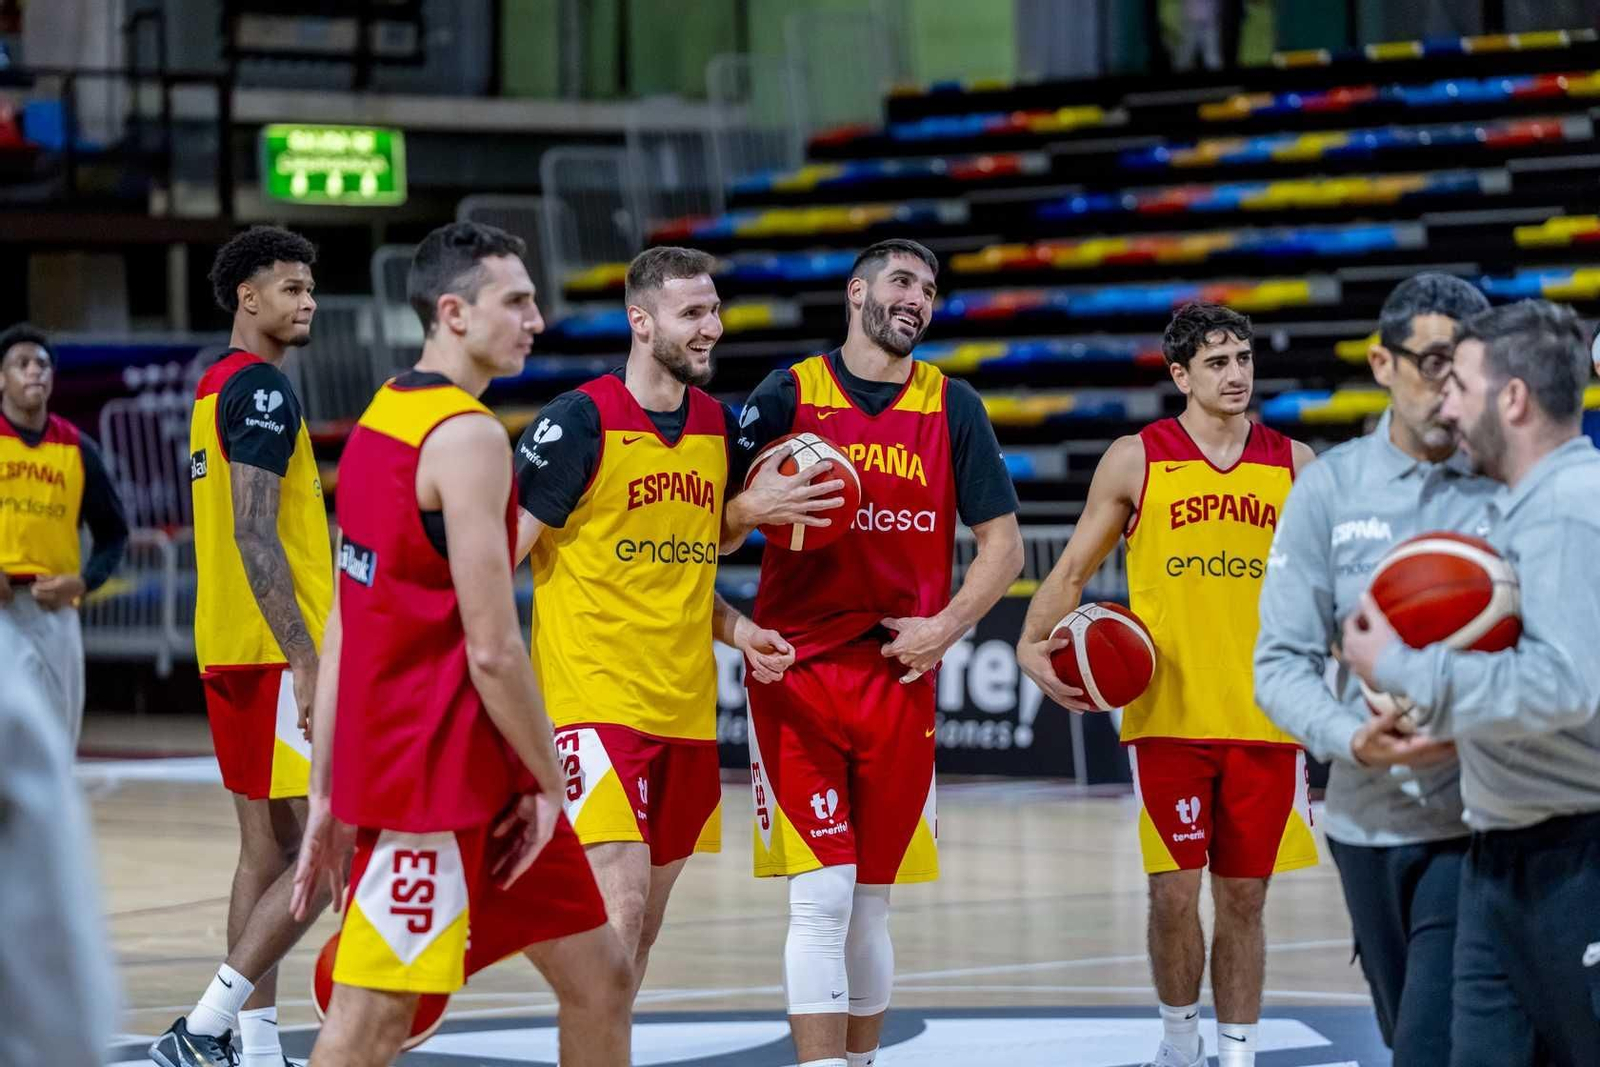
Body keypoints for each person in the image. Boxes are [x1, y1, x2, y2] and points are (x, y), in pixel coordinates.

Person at [292, 221, 632, 1067]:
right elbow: (492, 647)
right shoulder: (468, 436)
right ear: (453, 311)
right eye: (515, 300)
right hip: (432, 782)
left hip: (483, 779)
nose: (537, 319)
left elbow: (346, 623)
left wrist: (327, 788)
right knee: (373, 1020)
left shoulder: (381, 418)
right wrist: (555, 781)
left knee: (602, 975)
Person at [729, 238, 1024, 1067]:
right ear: (856, 291)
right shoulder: (788, 393)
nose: (917, 299)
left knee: (870, 905)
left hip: (902, 670)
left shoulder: (952, 404)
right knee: (819, 896)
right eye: (902, 281)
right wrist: (753, 502)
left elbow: (1003, 550)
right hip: (797, 669)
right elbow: (708, 526)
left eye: (929, 289)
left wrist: (947, 626)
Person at [512, 244, 821, 999]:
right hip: (592, 701)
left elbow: (684, 561)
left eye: (714, 310)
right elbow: (494, 562)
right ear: (641, 322)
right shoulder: (579, 422)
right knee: (616, 907)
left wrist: (740, 630)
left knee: (642, 925)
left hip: (681, 707)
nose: (711, 326)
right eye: (693, 312)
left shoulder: (719, 427)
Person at [1017, 303, 1317, 1067]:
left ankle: (1240, 1052)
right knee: (1173, 895)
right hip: (1168, 717)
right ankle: (1180, 1047)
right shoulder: (1138, 457)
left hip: (1266, 718)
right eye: (1218, 362)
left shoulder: (1297, 463)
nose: (1237, 373)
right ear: (1180, 375)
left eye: (1244, 358)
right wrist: (1028, 640)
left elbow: (1332, 587)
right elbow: (1074, 568)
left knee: (1246, 899)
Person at [1342, 299, 1600, 1067]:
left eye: (1461, 385)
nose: (1447, 406)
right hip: (1502, 850)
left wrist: (1401, 667)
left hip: (1575, 856)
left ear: (1512, 398)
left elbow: (1565, 687)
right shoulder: (1527, 505)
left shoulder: (1567, 508)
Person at [1254, 274, 1502, 1062]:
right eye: (1433, 362)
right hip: (1365, 823)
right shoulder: (1329, 488)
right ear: (1380, 363)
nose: (1451, 385)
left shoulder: (1515, 484)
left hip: (1485, 819)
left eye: (1468, 365)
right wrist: (1351, 738)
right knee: (1408, 1032)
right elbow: (1280, 663)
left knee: (1434, 1044)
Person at [152, 227, 331, 1067]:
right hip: (271, 651)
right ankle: (206, 1027)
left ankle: (252, 1049)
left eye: (311, 288)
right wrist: (305, 655)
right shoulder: (261, 391)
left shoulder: (211, 389)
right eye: (291, 287)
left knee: (267, 851)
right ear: (245, 298)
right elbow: (255, 533)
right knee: (323, 855)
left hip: (227, 644)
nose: (309, 302)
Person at [0, 322, 128, 743]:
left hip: (54, 608)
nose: (35, 370)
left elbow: (113, 533)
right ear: (2, 379)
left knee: (59, 740)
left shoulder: (78, 448)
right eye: (22, 363)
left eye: (42, 364)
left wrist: (84, 580)